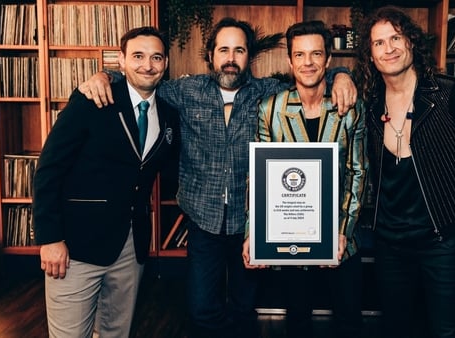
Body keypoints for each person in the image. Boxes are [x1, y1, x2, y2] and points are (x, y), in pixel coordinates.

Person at [77, 17, 358, 338]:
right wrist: (105, 74)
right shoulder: (185, 90)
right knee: (200, 309)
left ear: (249, 56)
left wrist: (341, 75)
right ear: (210, 55)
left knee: (243, 306)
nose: (230, 57)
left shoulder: (269, 93)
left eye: (239, 50)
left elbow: (310, 75)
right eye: (223, 49)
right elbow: (142, 79)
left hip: (249, 223)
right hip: (202, 222)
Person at [354, 6, 455, 338]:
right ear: (370, 56)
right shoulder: (371, 104)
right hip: (390, 242)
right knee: (395, 326)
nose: (388, 48)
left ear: (411, 43)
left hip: (442, 239)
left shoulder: (450, 93)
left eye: (396, 38)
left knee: (446, 329)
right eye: (378, 43)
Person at [33, 26, 177, 338]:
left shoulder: (168, 116)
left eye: (156, 57)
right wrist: (50, 238)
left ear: (165, 64)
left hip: (131, 246)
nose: (147, 65)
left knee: (116, 332)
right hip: (75, 245)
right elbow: (48, 169)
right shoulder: (92, 99)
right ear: (121, 61)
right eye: (137, 56)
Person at [242, 20, 367, 338]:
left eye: (316, 54)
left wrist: (341, 233)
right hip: (290, 240)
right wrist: (253, 233)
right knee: (297, 320)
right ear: (290, 61)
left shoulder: (349, 109)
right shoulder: (270, 110)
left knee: (349, 320)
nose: (308, 62)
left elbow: (357, 172)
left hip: (341, 240)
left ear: (328, 60)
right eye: (300, 55)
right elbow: (259, 179)